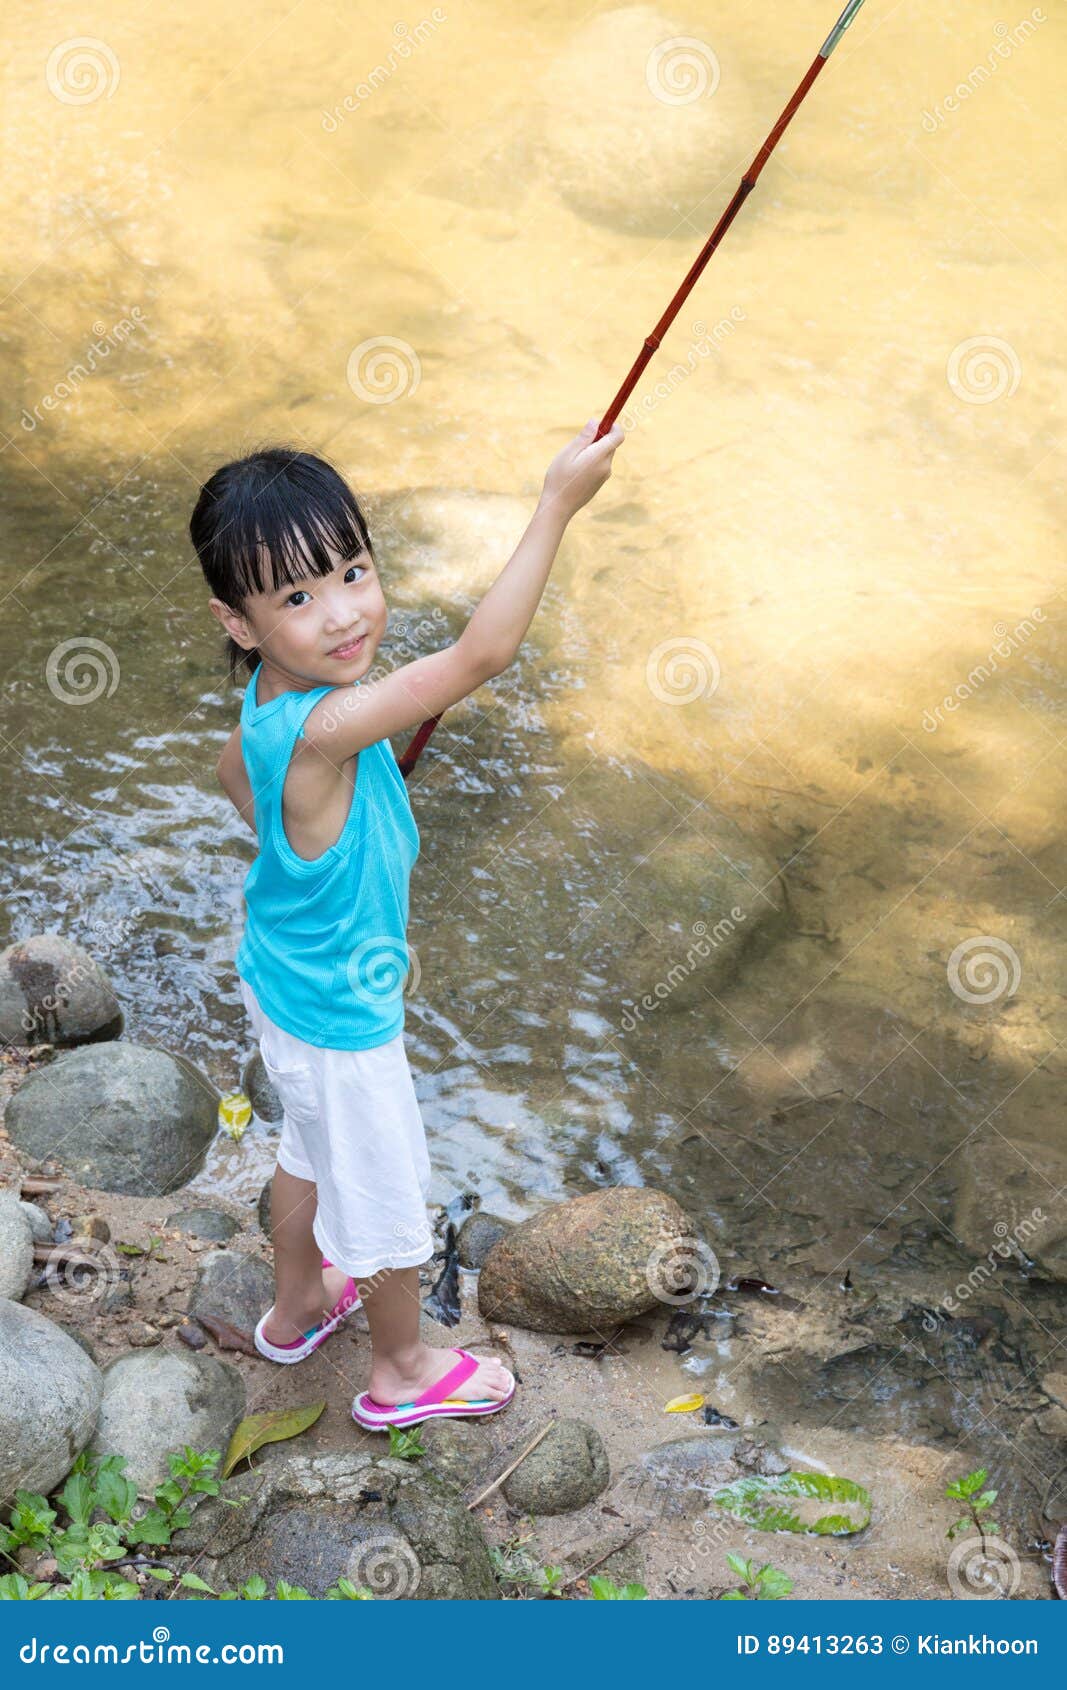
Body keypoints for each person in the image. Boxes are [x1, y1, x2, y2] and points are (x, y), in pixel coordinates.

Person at [190, 417, 625, 1428]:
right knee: (382, 1196)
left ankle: (297, 1305)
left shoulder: (275, 708)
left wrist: (323, 823)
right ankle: (398, 1367)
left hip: (282, 981)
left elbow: (234, 776)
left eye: (351, 571)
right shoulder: (334, 723)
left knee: (306, 1143)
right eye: (296, 597)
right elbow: (487, 650)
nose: (342, 614)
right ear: (239, 621)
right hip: (341, 1017)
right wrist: (555, 500)